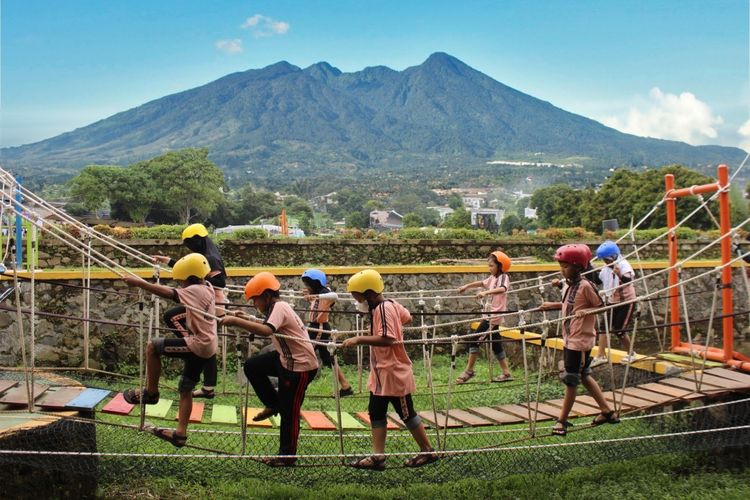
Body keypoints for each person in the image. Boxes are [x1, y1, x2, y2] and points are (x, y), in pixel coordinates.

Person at [341, 269, 438, 470]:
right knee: (376, 412)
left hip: (393, 372)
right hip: (380, 373)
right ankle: (378, 457)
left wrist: (358, 339)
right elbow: (407, 317)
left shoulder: (384, 309)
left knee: (406, 413)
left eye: (358, 297)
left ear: (369, 294)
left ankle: (428, 451)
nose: (357, 302)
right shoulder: (390, 305)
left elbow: (388, 338)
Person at [220, 271, 318, 467]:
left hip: (299, 367)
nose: (255, 304)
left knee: (289, 414)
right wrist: (246, 317)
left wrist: (237, 321)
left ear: (266, 296)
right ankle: (274, 403)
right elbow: (268, 324)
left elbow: (267, 330)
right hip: (285, 359)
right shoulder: (277, 308)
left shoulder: (280, 306)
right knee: (252, 366)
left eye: (255, 300)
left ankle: (286, 457)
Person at [121, 253, 217, 447]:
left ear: (188, 278)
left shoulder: (196, 290)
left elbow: (168, 293)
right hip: (208, 345)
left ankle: (151, 393)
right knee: (186, 388)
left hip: (198, 344)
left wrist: (140, 283)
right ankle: (180, 434)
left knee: (153, 346)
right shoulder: (207, 286)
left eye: (181, 279)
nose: (180, 283)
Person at [540, 244, 620, 436]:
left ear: (578, 266)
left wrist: (588, 311)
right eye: (561, 265)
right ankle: (608, 412)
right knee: (584, 375)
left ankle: (562, 421)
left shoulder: (585, 286)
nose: (562, 269)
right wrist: (551, 305)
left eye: (566, 266)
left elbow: (601, 306)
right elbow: (569, 305)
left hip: (579, 341)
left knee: (571, 379)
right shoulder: (569, 284)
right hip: (571, 337)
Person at [152, 223, 227, 399]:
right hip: (204, 305)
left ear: (198, 241)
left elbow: (221, 282)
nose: (189, 247)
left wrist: (201, 285)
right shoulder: (205, 255)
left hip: (210, 307)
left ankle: (191, 346)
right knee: (209, 346)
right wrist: (168, 261)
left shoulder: (211, 258)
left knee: (172, 317)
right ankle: (208, 387)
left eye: (190, 243)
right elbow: (192, 272)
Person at [454, 251, 513, 384]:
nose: (490, 268)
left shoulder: (503, 277)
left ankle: (469, 370)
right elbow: (481, 283)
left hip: (493, 318)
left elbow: (503, 289)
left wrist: (485, 292)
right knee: (496, 344)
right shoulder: (492, 278)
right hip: (489, 316)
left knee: (474, 340)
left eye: (492, 266)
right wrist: (467, 286)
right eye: (489, 266)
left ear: (500, 266)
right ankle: (506, 372)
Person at [301, 268, 353, 397]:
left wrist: (315, 302)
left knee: (303, 356)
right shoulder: (320, 293)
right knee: (329, 359)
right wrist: (312, 298)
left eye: (309, 284)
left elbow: (321, 315)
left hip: (318, 329)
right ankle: (346, 386)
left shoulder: (325, 294)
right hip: (320, 328)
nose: (307, 287)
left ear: (315, 283)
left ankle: (299, 386)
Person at [591, 241, 638, 366]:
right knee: (603, 328)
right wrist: (588, 268)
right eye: (604, 260)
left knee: (619, 330)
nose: (605, 262)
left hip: (626, 302)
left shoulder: (623, 265)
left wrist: (618, 273)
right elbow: (598, 280)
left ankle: (631, 353)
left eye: (607, 260)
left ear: (613, 256)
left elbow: (628, 281)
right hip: (612, 301)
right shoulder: (607, 268)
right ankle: (601, 355)